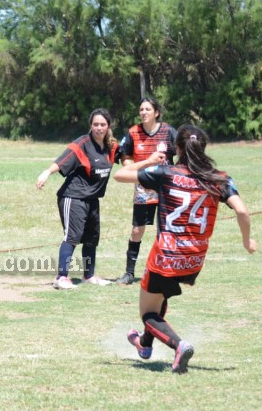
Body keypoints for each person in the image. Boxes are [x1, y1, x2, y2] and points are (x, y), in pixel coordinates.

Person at [113, 124, 256, 374]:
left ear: (177, 148)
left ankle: (179, 346)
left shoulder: (165, 172)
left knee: (148, 313)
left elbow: (120, 175)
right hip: (194, 259)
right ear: (204, 148)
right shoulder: (220, 178)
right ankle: (144, 345)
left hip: (166, 256)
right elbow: (242, 211)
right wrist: (247, 241)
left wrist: (147, 161)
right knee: (161, 294)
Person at [36, 108, 119, 290]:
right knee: (72, 236)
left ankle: (88, 276)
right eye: (95, 124)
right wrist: (46, 172)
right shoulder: (83, 143)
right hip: (73, 197)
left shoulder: (111, 146)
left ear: (108, 126)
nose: (99, 128)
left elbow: (127, 156)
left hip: (92, 199)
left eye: (103, 124)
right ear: (91, 125)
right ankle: (61, 277)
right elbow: (63, 159)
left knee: (91, 239)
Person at [117, 97, 177, 285]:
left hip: (166, 187)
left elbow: (182, 153)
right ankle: (129, 273)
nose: (143, 112)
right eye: (141, 109)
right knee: (137, 230)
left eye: (147, 109)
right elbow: (124, 154)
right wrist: (134, 168)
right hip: (143, 187)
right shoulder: (133, 132)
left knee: (166, 230)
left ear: (156, 113)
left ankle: (166, 271)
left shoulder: (168, 131)